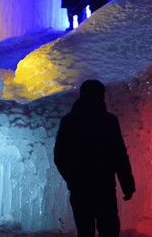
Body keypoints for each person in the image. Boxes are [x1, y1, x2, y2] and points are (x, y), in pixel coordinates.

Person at [54, 79, 135, 237]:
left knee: (85, 229)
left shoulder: (69, 121)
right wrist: (127, 184)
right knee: (109, 228)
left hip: (79, 185)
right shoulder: (109, 121)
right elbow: (119, 154)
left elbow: (59, 155)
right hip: (104, 185)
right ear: (102, 96)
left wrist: (71, 177)